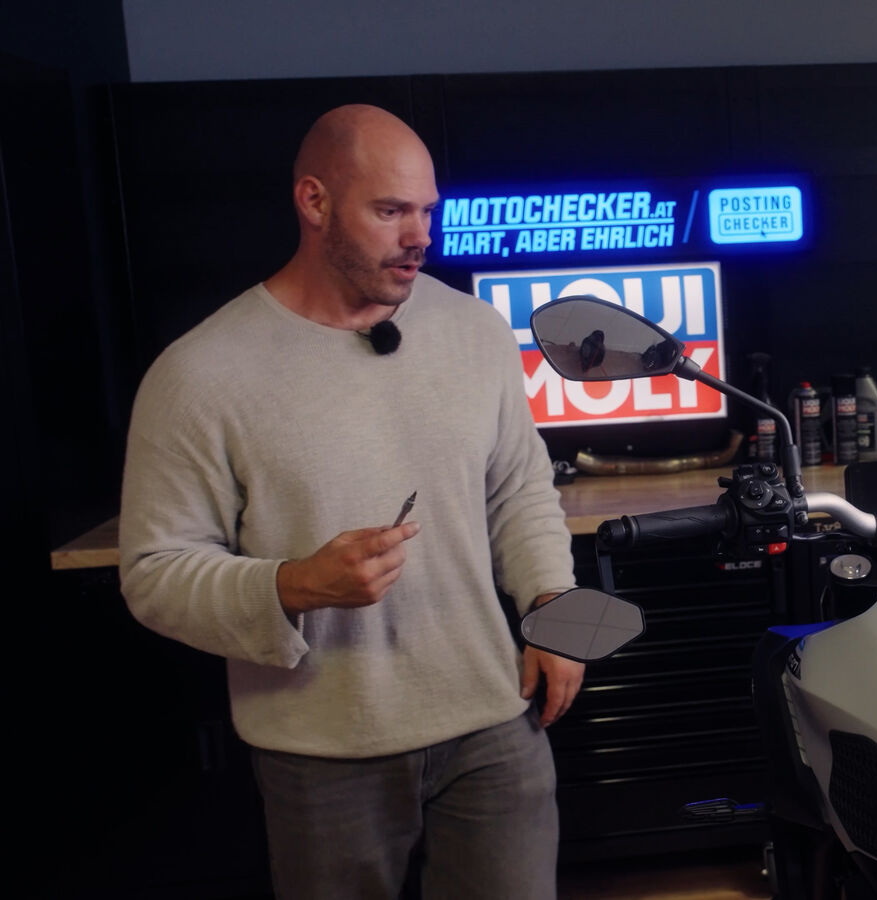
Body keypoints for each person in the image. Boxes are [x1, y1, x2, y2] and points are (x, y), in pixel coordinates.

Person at [119, 104, 583, 899]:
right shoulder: (200, 372)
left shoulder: (475, 331)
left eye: (428, 211)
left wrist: (554, 605)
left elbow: (518, 486)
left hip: (493, 721)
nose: (420, 237)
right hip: (320, 754)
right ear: (314, 201)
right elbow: (155, 573)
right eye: (391, 211)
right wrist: (294, 584)